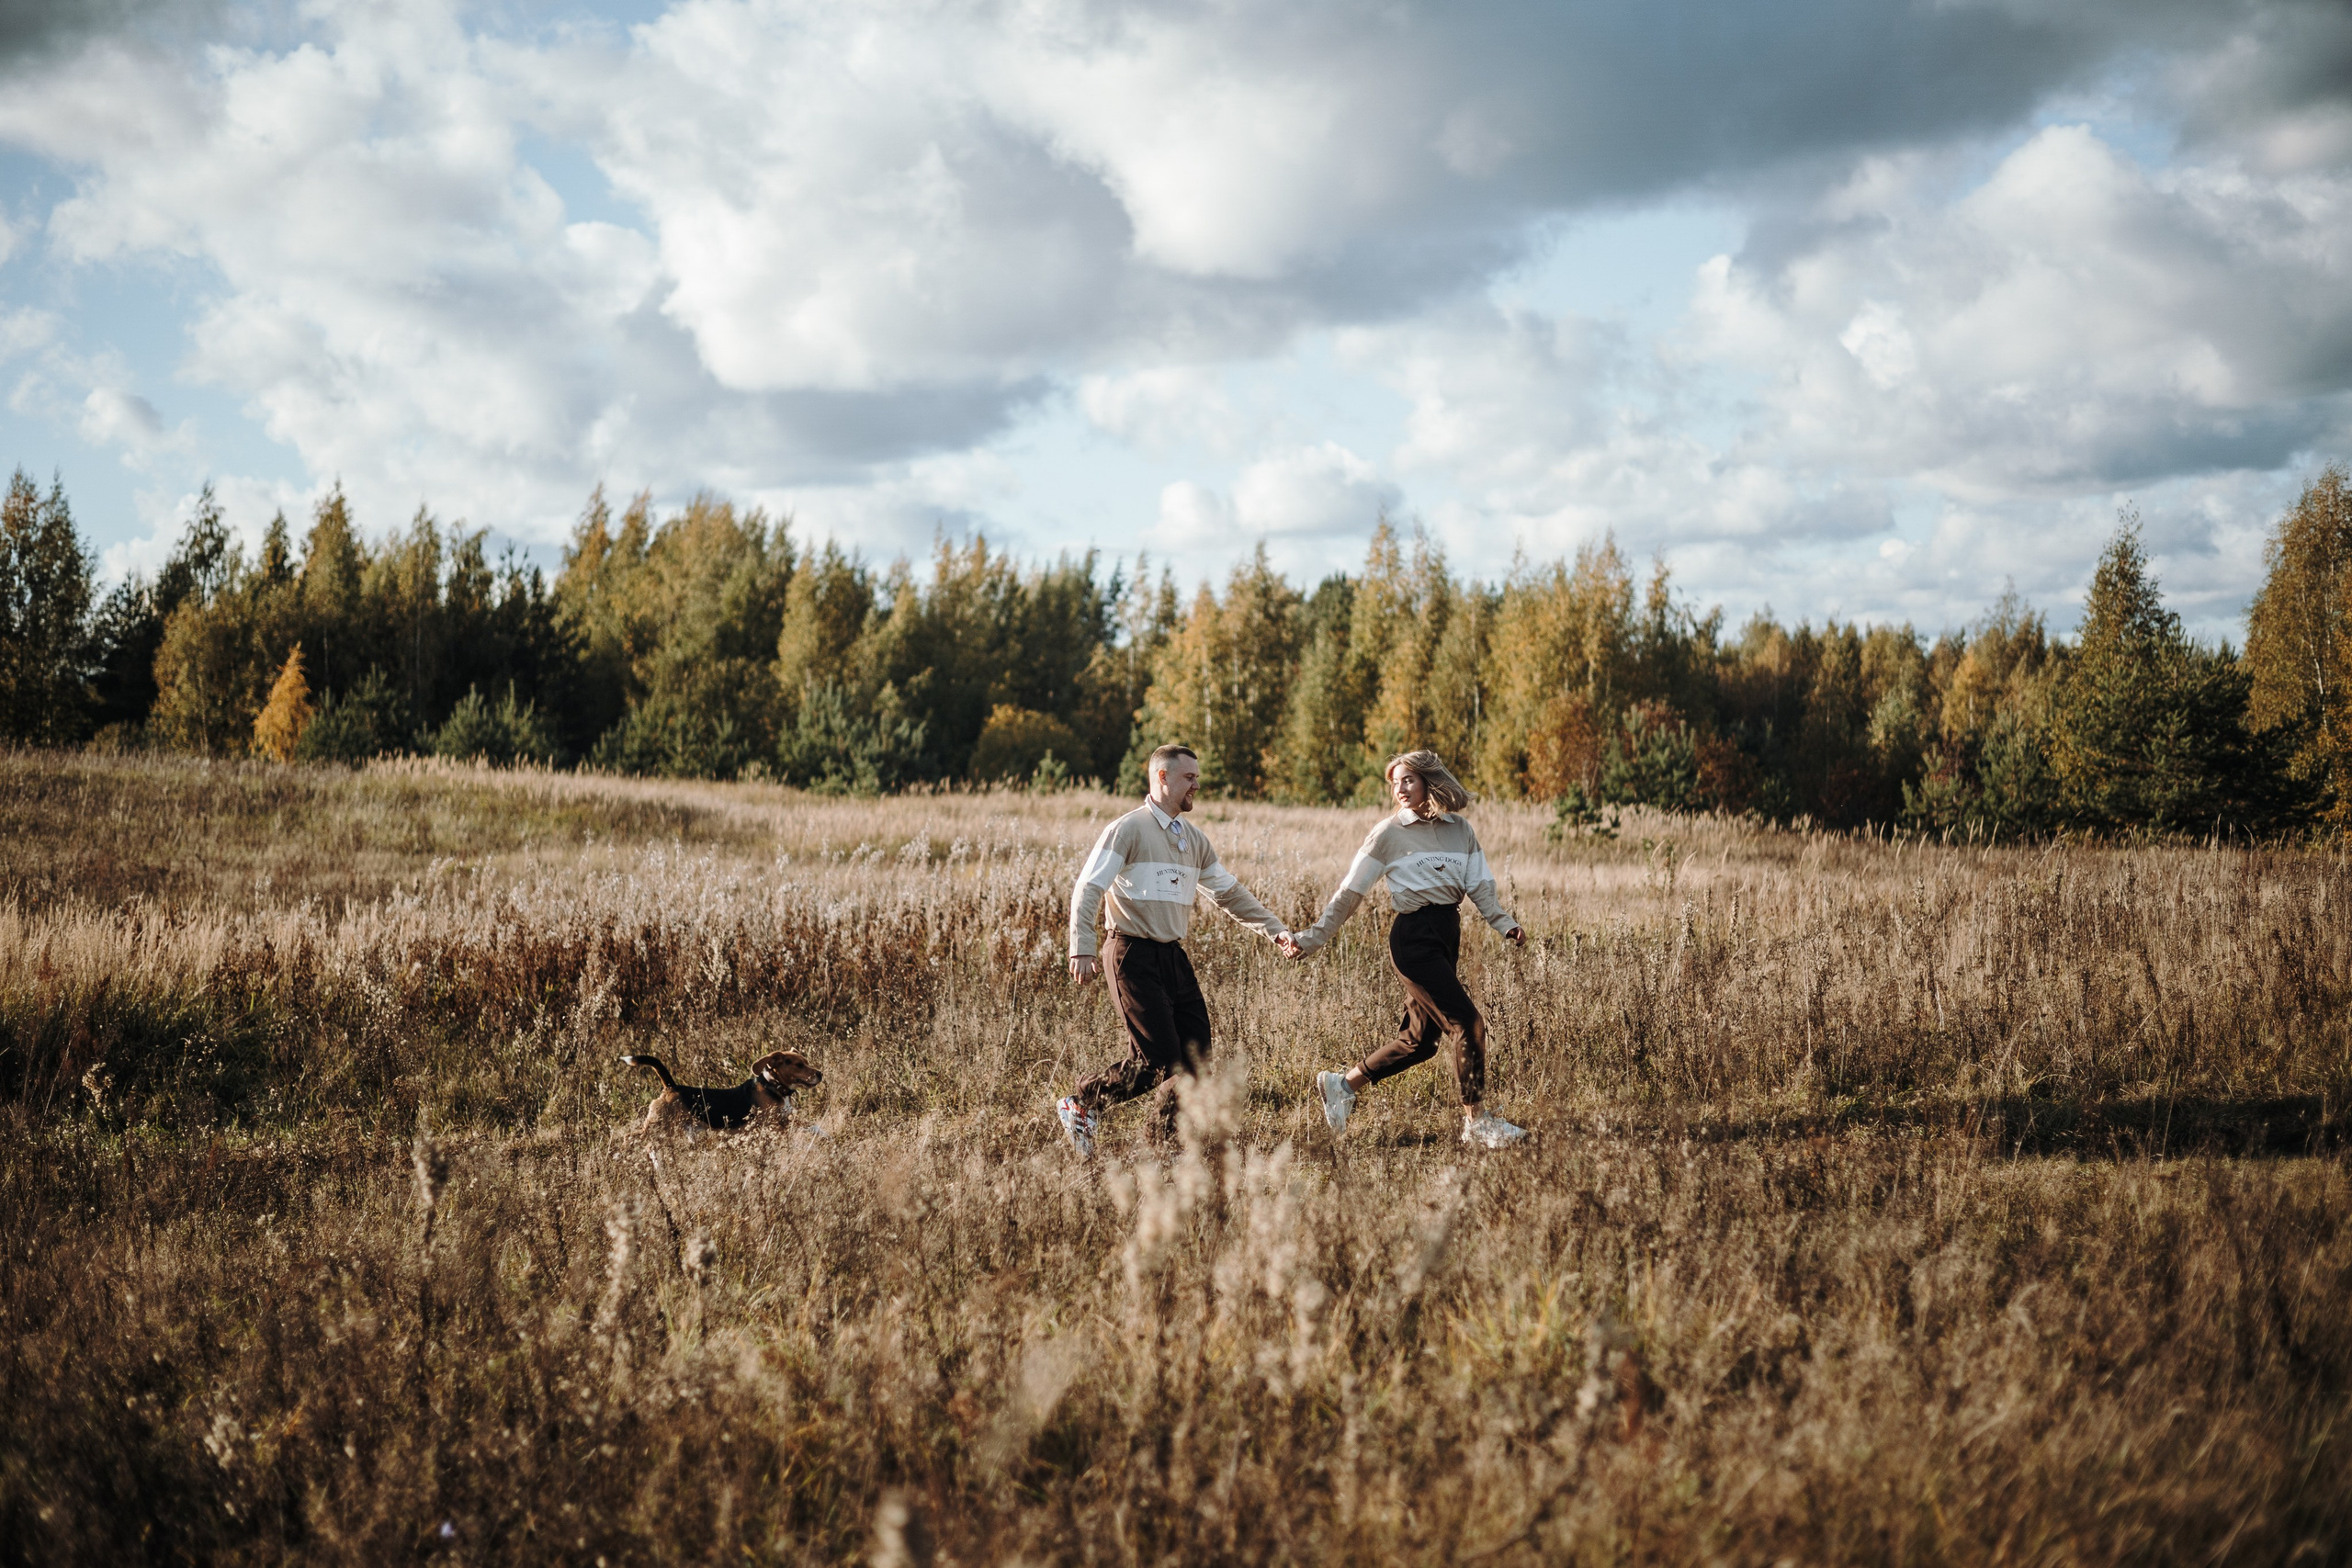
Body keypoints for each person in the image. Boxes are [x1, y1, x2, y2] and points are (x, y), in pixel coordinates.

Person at [1279, 749, 1529, 1149]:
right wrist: (1312, 938)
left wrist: (1504, 922)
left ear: (1431, 781)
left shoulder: (1460, 830)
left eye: (1407, 779)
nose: (1399, 788)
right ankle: (1477, 1123)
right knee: (1468, 1023)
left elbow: (1480, 885)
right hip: (1413, 939)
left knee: (1420, 1041)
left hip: (1447, 930)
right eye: (1394, 782)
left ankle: (1341, 1085)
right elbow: (1349, 894)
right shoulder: (1387, 834)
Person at [1058, 743, 1293, 1157]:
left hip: (1173, 956)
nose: (1197, 785)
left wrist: (1274, 931)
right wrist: (1082, 946)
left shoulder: (1194, 839)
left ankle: (1162, 1141)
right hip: (1130, 953)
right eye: (1189, 777)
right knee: (1158, 1060)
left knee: (1194, 1056)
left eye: (1197, 778)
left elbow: (1229, 894)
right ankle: (1083, 1102)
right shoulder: (1127, 830)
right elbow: (1089, 886)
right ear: (1162, 778)